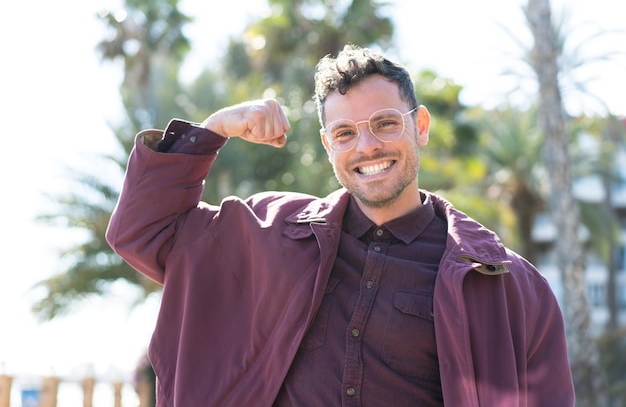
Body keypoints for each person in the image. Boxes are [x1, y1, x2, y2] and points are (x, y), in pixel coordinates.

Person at [106, 44, 575, 406]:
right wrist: (214, 129)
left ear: (422, 126)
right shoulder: (266, 232)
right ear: (328, 146)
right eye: (346, 133)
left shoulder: (511, 287)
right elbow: (143, 230)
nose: (367, 147)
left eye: (386, 123)